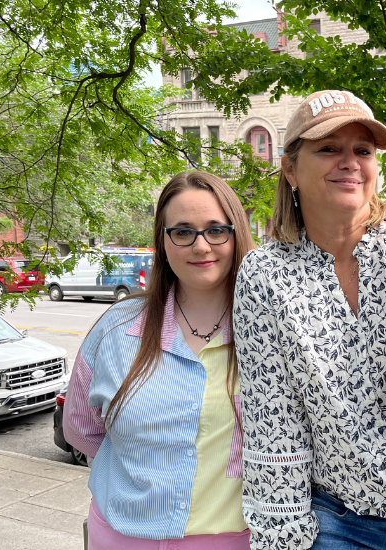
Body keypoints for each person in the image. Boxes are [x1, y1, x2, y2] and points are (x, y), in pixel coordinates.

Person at [233, 90, 386, 550]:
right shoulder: (264, 274)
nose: (349, 162)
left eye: (362, 151)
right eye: (328, 149)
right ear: (291, 170)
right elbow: (274, 419)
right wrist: (283, 538)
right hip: (340, 523)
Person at [64, 171, 255, 549]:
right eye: (183, 232)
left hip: (231, 541)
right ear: (162, 242)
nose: (201, 246)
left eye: (216, 229)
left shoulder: (265, 329)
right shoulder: (117, 328)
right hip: (119, 536)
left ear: (237, 235)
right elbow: (81, 429)